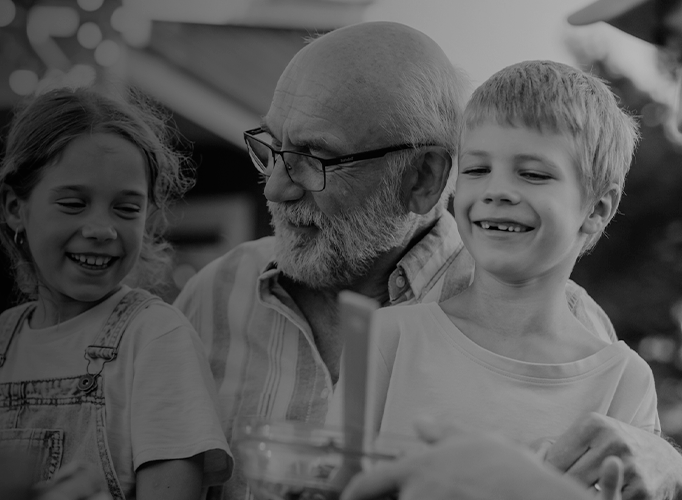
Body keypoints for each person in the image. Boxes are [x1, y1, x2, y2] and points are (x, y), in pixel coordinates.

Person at [169, 21, 629, 499]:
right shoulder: (215, 296)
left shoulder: (575, 341)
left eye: (315, 158)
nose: (276, 187)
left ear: (423, 177)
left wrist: (666, 468)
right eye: (273, 148)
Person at [353, 58, 670, 486]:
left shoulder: (624, 381)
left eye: (533, 174)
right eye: (476, 170)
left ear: (596, 209)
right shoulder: (389, 339)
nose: (496, 191)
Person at [0, 87, 229, 500]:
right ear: (14, 207)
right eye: (73, 203)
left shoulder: (156, 339)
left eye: (127, 208)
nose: (102, 229)